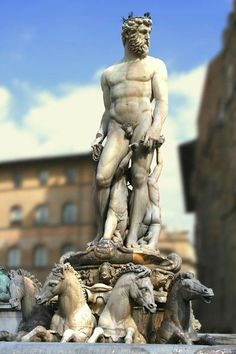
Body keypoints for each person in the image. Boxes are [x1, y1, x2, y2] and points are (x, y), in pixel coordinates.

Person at [92, 13, 168, 248]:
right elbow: (107, 110)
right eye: (143, 33)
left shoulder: (155, 65)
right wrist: (99, 135)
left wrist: (155, 129)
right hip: (115, 127)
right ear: (129, 35)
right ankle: (100, 233)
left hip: (143, 124)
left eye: (149, 33)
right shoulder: (109, 73)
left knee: (139, 177)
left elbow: (162, 103)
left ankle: (133, 235)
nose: (148, 37)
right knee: (102, 177)